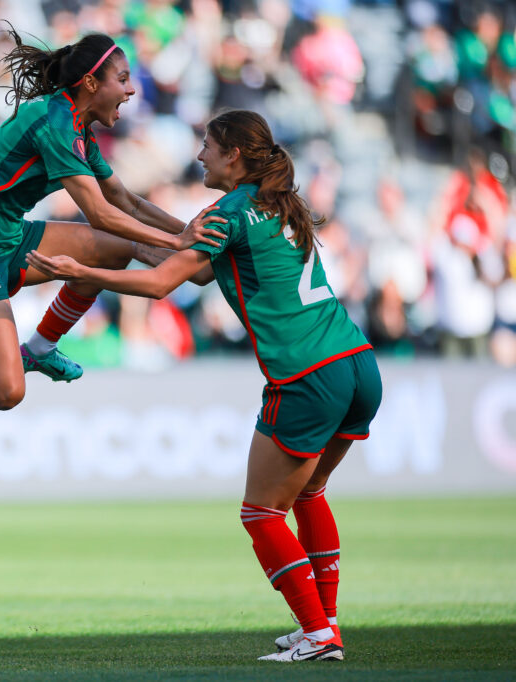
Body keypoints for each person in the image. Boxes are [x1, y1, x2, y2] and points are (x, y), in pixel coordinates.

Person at [27, 109, 382, 662]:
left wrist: (81, 272)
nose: (199, 156)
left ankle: (318, 634)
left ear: (233, 155)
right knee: (309, 492)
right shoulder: (282, 202)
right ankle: (323, 623)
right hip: (357, 363)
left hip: (307, 373)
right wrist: (119, 199)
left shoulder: (230, 212)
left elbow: (163, 282)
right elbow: (192, 260)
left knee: (261, 512)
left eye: (208, 146)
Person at [0, 28, 225, 410]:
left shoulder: (76, 125)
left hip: (9, 238)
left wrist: (185, 233)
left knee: (118, 251)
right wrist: (178, 243)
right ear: (92, 83)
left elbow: (125, 200)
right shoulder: (56, 124)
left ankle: (41, 348)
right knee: (5, 392)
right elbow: (99, 213)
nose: (131, 91)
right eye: (123, 79)